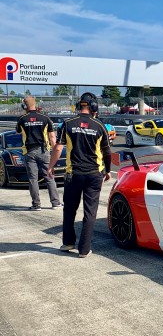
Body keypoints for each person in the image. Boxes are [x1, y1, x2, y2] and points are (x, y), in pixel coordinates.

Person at [47, 92, 111, 258]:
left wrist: (51, 166)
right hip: (93, 174)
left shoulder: (67, 124)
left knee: (69, 210)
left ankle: (68, 242)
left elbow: (58, 148)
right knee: (90, 212)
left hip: (72, 174)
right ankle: (83, 250)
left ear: (78, 106)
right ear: (94, 107)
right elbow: (107, 152)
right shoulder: (99, 126)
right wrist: (109, 170)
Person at [16, 96, 62, 211]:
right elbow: (52, 137)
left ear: (25, 106)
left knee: (33, 179)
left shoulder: (22, 119)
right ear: (35, 104)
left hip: (29, 152)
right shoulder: (45, 118)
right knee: (50, 176)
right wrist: (54, 151)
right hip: (43, 151)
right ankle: (55, 203)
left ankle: (36, 205)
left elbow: (18, 132)